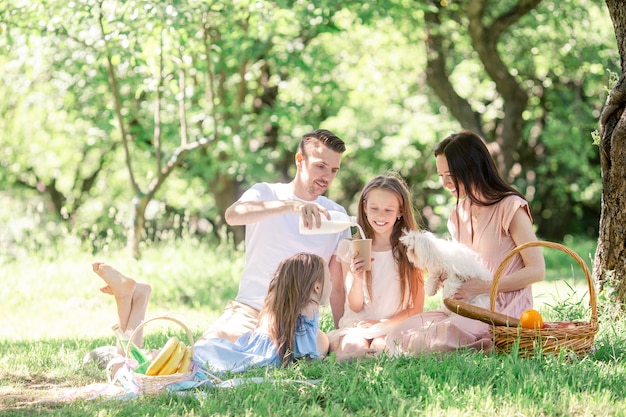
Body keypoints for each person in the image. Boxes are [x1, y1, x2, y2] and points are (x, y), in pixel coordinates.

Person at [385, 130, 546, 355]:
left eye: (450, 174)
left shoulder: (511, 207)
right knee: (399, 334)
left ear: (472, 168)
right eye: (441, 176)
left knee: (439, 338)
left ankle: (491, 342)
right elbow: (461, 268)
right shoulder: (458, 214)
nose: (445, 183)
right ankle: (467, 341)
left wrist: (484, 287)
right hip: (463, 309)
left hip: (500, 311)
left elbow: (537, 270)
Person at [202, 129, 349, 341]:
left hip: (298, 323)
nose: (327, 176)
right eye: (320, 166)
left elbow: (336, 286)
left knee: (318, 345)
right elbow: (233, 215)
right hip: (250, 312)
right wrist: (291, 206)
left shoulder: (336, 216)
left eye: (334, 170)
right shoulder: (266, 193)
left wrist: (339, 333)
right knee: (205, 355)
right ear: (300, 160)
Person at [91, 252, 329, 375]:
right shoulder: (308, 334)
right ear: (316, 288)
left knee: (134, 363)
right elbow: (317, 354)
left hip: (214, 353)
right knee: (125, 371)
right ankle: (129, 299)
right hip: (210, 363)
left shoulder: (274, 321)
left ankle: (136, 297)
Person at [327, 173, 425, 360]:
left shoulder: (412, 250)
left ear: (400, 211)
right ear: (365, 208)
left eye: (388, 210)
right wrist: (357, 278)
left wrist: (383, 323)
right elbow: (355, 306)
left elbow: (417, 307)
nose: (380, 216)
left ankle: (376, 351)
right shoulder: (351, 247)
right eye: (374, 208)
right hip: (359, 324)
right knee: (352, 348)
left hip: (394, 323)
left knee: (382, 349)